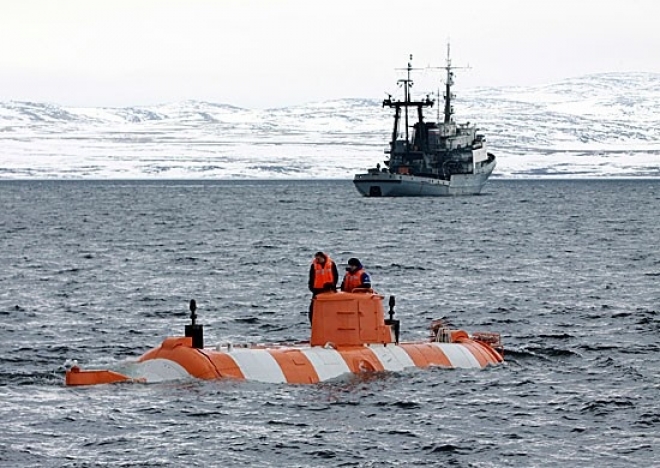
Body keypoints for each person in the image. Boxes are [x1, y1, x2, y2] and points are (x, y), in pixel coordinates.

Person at [307, 252, 339, 323]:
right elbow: (311, 277)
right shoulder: (314, 266)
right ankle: (314, 324)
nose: (317, 260)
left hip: (330, 289)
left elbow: (335, 275)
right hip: (317, 290)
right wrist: (311, 288)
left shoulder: (331, 264)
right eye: (316, 258)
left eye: (318, 258)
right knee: (313, 310)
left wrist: (333, 285)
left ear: (323, 257)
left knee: (333, 308)